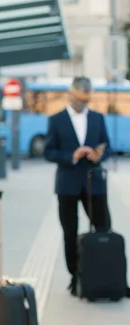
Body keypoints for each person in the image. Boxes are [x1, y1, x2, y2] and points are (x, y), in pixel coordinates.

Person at [43, 76, 117, 296]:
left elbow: (108, 147)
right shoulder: (56, 120)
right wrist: (71, 156)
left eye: (86, 100)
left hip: (94, 182)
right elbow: (48, 151)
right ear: (70, 95)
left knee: (104, 227)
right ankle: (75, 277)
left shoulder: (97, 118)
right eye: (79, 99)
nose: (82, 104)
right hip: (67, 184)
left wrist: (98, 155)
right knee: (69, 231)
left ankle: (106, 274)